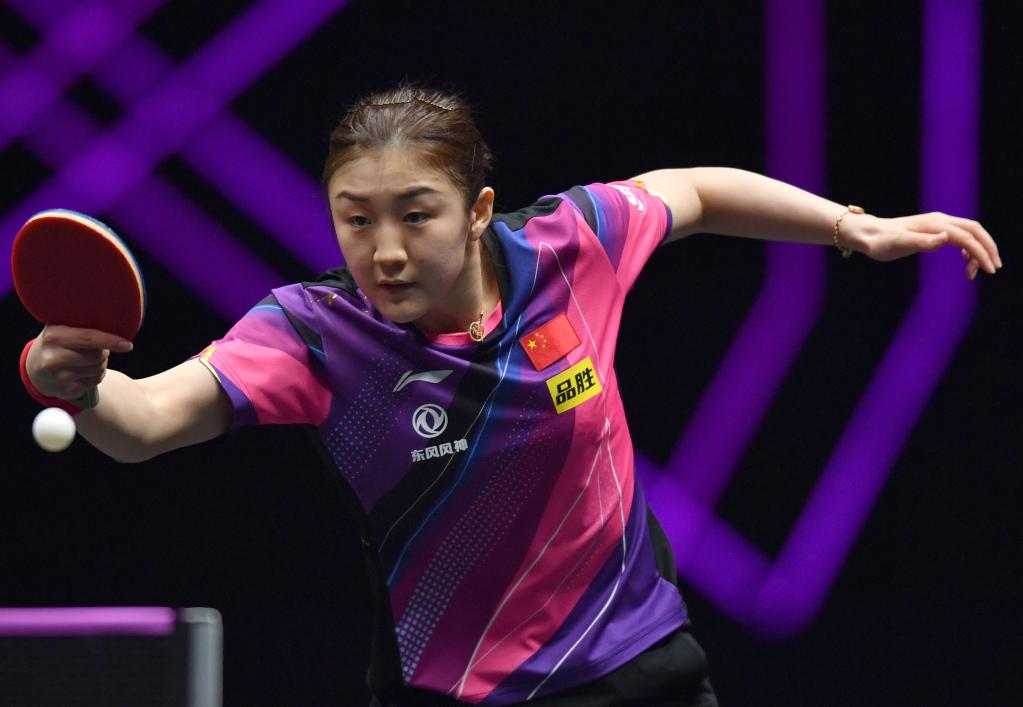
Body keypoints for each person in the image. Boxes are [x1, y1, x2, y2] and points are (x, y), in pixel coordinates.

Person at [20, 84, 1001, 706]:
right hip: (465, 692)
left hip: (643, 667)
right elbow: (147, 424)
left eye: (416, 214)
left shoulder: (571, 247)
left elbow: (694, 191)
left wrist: (850, 227)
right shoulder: (315, 333)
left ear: (478, 210)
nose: (385, 250)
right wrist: (89, 385)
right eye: (355, 220)